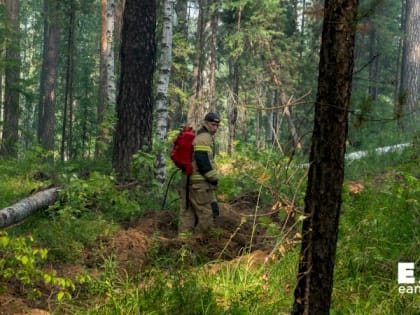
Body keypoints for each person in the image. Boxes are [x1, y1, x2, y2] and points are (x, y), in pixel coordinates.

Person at [178, 112, 221, 238]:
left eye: (217, 125)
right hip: (200, 185)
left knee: (187, 214)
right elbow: (202, 159)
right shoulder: (204, 138)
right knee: (205, 214)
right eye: (213, 124)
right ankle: (207, 244)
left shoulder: (198, 135)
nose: (215, 128)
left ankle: (183, 244)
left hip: (188, 182)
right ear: (206, 123)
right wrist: (213, 179)